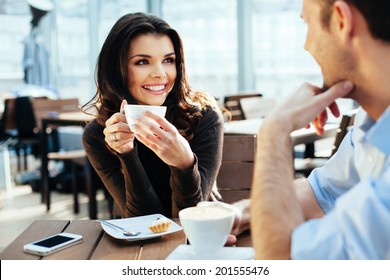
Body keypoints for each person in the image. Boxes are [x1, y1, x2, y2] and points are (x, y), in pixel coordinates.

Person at [206, 0, 390, 259]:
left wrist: (275, 130)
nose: (307, 45)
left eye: (309, 24)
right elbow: (322, 191)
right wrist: (245, 212)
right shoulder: (368, 123)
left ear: (341, 21)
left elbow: (281, 260)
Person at [82, 13, 224, 218]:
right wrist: (127, 154)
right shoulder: (100, 134)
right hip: (136, 245)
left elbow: (191, 224)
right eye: (142, 62)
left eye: (168, 60)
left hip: (202, 238)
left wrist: (184, 164)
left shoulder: (204, 117)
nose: (160, 73)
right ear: (116, 69)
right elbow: (144, 223)